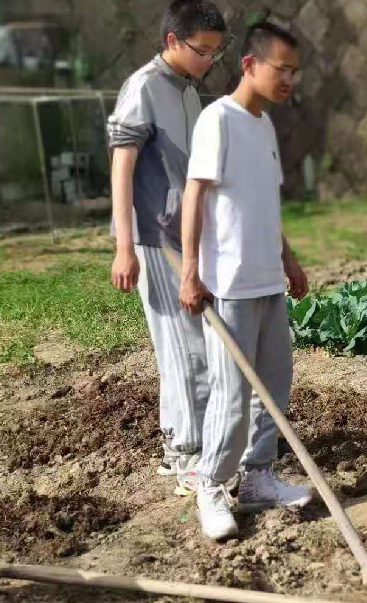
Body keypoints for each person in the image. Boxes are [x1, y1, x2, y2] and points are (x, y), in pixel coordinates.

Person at [179, 21, 311, 541]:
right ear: (250, 65)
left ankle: (257, 478)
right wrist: (191, 271)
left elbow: (264, 205)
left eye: (295, 73)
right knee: (232, 397)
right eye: (282, 69)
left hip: (266, 282)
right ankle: (211, 484)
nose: (289, 81)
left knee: (274, 387)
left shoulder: (263, 126)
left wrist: (290, 260)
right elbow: (195, 197)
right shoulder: (219, 120)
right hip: (228, 285)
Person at [107, 0, 226, 495]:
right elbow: (122, 166)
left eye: (218, 54)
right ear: (173, 41)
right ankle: (186, 453)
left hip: (188, 236)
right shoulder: (143, 88)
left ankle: (187, 443)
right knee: (182, 346)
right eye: (203, 51)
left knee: (199, 341)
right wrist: (123, 245)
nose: (209, 62)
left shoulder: (189, 93)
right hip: (155, 239)